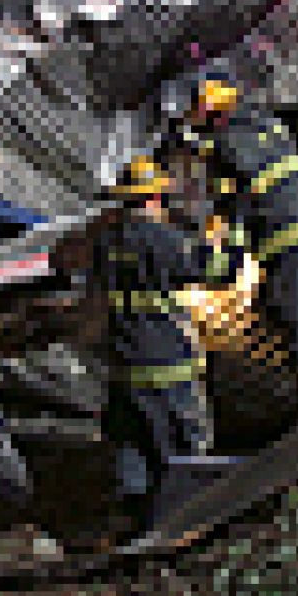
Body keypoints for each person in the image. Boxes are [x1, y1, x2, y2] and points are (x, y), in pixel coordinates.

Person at [179, 76, 298, 402]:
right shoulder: (272, 126)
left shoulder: (225, 144)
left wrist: (226, 263)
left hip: (290, 243)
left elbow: (231, 207)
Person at [95, 156, 214, 513]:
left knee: (131, 444)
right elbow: (210, 272)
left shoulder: (106, 244)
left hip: (125, 364)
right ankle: (181, 521)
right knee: (182, 451)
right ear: (153, 198)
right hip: (168, 363)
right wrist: (224, 237)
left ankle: (135, 523)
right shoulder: (164, 240)